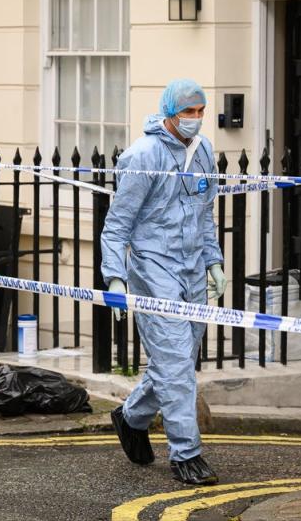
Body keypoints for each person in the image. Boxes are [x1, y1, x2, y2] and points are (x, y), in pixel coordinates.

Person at [101, 78, 226, 485]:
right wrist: (115, 278)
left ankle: (131, 416)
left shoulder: (204, 151)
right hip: (154, 268)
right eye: (187, 112)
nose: (195, 119)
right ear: (169, 113)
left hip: (191, 268)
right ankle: (186, 454)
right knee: (174, 361)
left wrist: (214, 262)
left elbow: (205, 214)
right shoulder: (143, 155)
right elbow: (117, 225)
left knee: (181, 358)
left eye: (200, 111)